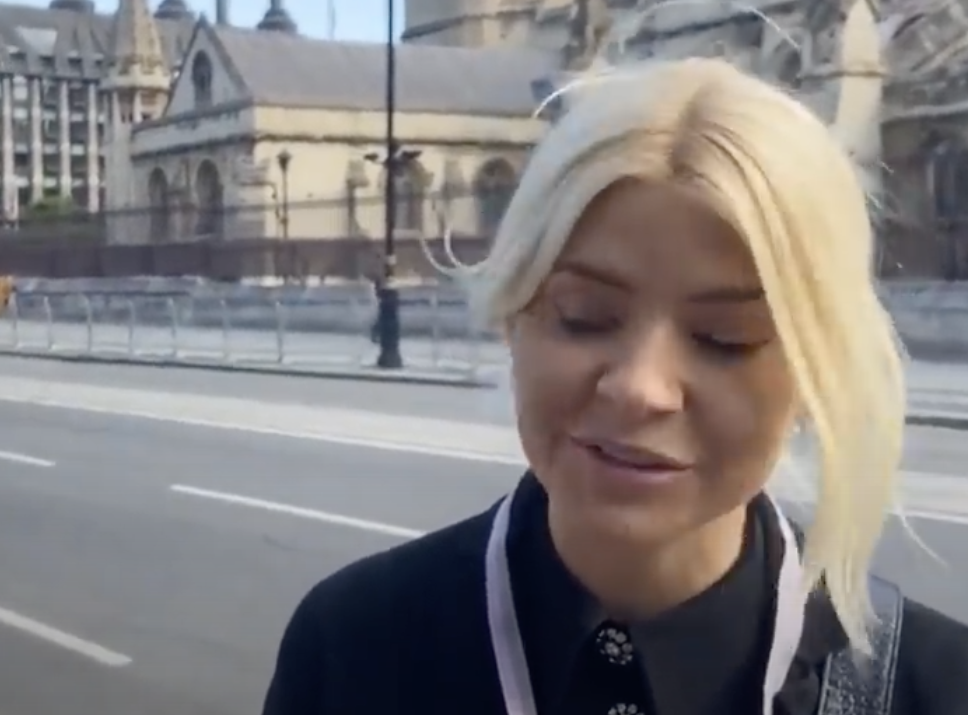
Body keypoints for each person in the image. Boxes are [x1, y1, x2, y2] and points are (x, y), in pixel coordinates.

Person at [260, 58, 968, 715]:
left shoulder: (936, 684)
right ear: (514, 320)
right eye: (584, 318)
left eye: (725, 338)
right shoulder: (351, 646)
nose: (641, 389)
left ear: (817, 374)